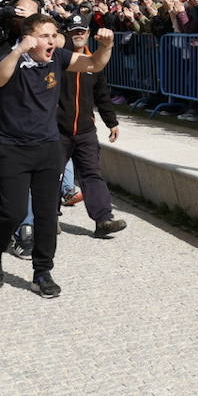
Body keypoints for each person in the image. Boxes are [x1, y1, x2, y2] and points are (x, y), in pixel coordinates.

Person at [0, 13, 114, 298]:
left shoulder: (58, 57)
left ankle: (42, 272)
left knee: (46, 215)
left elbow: (93, 64)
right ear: (29, 38)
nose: (51, 41)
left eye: (54, 35)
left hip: (48, 146)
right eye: (44, 36)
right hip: (12, 147)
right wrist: (18, 50)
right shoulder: (11, 56)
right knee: (13, 212)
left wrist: (106, 47)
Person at [58, 15, 128, 237]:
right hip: (57, 129)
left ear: (88, 34)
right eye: (74, 31)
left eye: (82, 31)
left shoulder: (95, 59)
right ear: (66, 34)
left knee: (92, 174)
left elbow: (102, 94)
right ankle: (48, 219)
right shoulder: (58, 59)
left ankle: (103, 220)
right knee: (51, 176)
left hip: (85, 130)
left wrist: (111, 121)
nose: (78, 35)